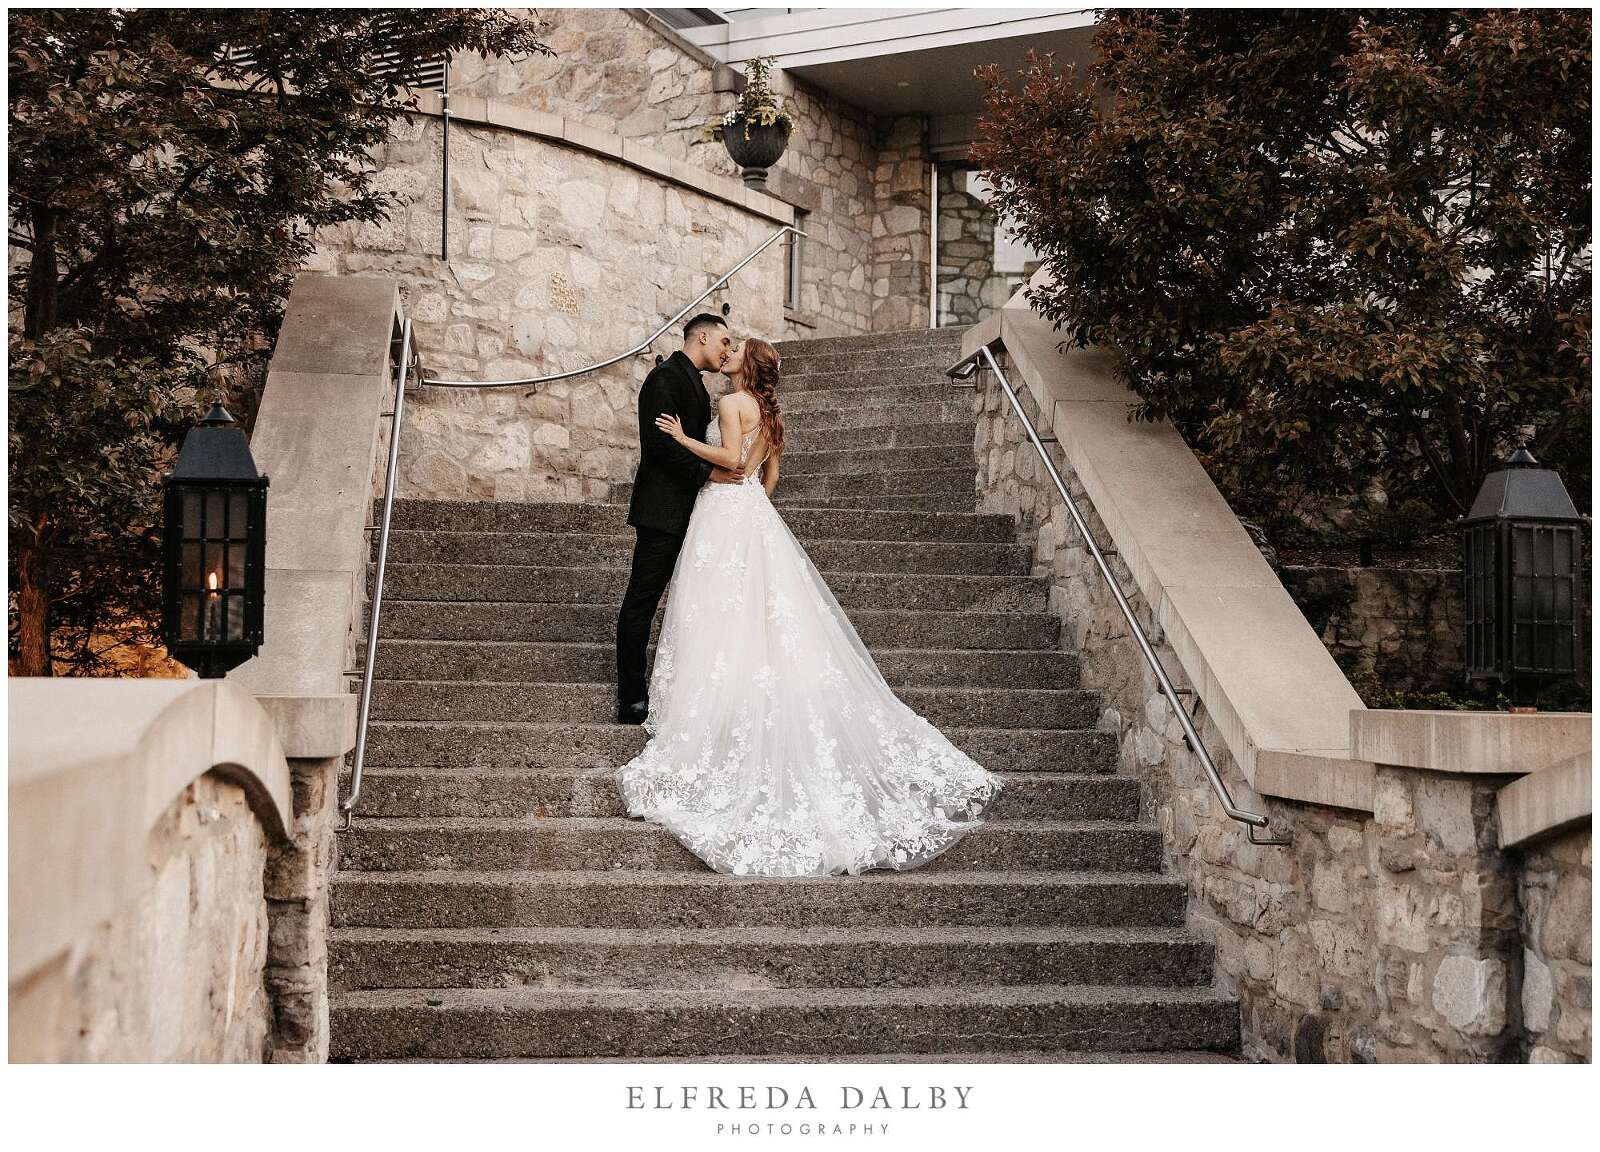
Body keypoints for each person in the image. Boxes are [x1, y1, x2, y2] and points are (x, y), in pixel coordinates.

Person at [614, 336, 1005, 876]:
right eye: (723, 343)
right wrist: (750, 498)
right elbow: (767, 477)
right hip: (750, 509)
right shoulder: (770, 416)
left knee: (717, 608)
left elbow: (729, 459)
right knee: (752, 609)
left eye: (734, 349)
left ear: (744, 366)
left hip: (723, 510)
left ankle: (712, 697)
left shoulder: (731, 403)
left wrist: (684, 439)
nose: (726, 352)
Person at [614, 313, 743, 725]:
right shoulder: (664, 378)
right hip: (664, 512)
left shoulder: (697, 384)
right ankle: (632, 698)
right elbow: (659, 447)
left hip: (697, 514)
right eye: (724, 341)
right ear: (701, 337)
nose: (727, 350)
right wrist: (711, 473)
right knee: (641, 603)